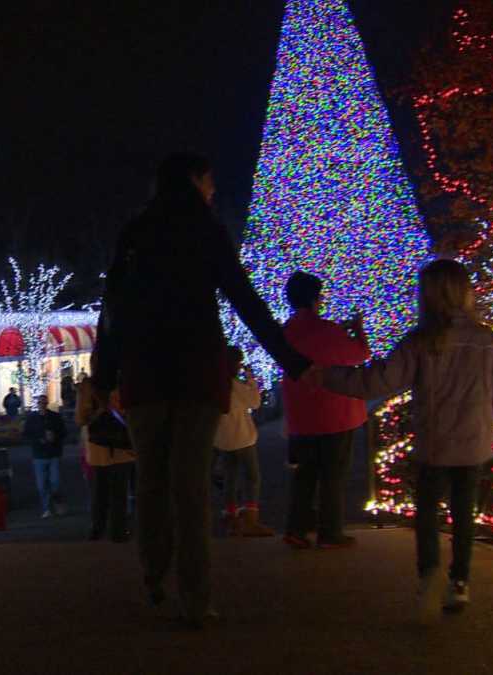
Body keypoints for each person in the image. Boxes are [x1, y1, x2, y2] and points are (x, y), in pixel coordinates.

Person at [93, 152, 312, 629]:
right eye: (209, 182)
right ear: (194, 181)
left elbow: (112, 309)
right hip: (195, 372)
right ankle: (196, 597)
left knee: (152, 479)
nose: (213, 190)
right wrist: (290, 360)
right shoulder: (205, 229)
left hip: (144, 373)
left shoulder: (136, 231)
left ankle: (153, 574)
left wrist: (103, 375)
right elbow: (244, 298)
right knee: (190, 486)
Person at [322, 260, 493, 621]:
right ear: (464, 292)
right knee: (464, 513)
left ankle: (429, 573)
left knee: (428, 513)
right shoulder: (486, 340)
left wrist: (327, 378)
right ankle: (460, 582)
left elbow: (379, 381)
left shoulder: (419, 342)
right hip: (474, 442)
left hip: (433, 443)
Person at [280, 271, 372, 550]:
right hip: (336, 413)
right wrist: (356, 330)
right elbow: (361, 354)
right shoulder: (328, 330)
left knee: (305, 474)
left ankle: (297, 529)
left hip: (301, 415)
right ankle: (330, 532)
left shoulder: (285, 332)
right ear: (314, 298)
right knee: (333, 475)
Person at [214, 347, 273, 537]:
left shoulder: (214, 383)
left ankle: (230, 518)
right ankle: (250, 519)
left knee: (230, 478)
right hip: (243, 438)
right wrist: (251, 380)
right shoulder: (235, 385)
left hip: (222, 439)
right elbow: (255, 402)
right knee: (252, 478)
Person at [76, 369, 134, 542]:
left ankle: (97, 529)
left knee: (99, 491)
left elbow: (81, 419)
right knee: (120, 491)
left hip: (97, 446)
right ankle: (118, 531)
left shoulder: (89, 386)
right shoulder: (125, 382)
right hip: (123, 445)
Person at [22, 394, 66, 518]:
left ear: (47, 404)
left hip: (53, 454)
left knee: (55, 482)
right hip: (39, 455)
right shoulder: (32, 419)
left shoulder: (55, 417)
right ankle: (47, 508)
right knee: (42, 485)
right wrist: (38, 440)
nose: (42, 405)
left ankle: (57, 502)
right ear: (38, 404)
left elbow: (63, 432)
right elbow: (26, 435)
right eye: (40, 403)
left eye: (44, 403)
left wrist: (55, 437)